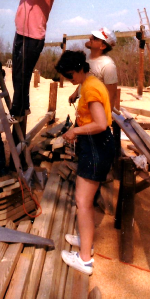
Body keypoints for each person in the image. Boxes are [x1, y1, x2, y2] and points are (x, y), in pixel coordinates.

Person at [55, 50, 115, 275]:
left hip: (96, 146)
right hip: (95, 145)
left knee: (83, 202)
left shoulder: (89, 87)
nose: (70, 79)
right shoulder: (88, 82)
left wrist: (75, 131)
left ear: (81, 68)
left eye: (70, 74)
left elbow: (100, 123)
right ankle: (85, 239)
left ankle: (85, 260)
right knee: (84, 201)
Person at [9, 0, 64, 122]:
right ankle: (23, 108)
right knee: (17, 73)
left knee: (23, 74)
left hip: (34, 36)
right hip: (20, 34)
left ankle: (16, 112)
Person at [68, 27, 118, 110]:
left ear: (103, 46)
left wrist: (104, 120)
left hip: (95, 115)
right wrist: (75, 93)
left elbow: (111, 96)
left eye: (95, 38)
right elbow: (85, 79)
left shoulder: (108, 66)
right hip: (83, 110)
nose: (90, 38)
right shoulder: (88, 58)